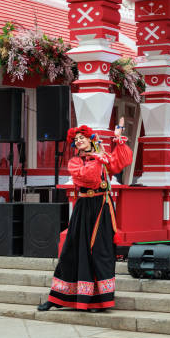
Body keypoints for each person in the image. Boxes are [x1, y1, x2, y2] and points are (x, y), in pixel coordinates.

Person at [37, 119, 132, 312]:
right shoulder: (75, 162)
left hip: (102, 207)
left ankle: (99, 301)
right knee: (73, 250)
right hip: (84, 208)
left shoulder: (102, 158)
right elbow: (88, 178)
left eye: (83, 138)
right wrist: (98, 159)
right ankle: (59, 297)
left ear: (91, 140)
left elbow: (122, 161)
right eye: (77, 139)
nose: (80, 141)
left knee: (101, 251)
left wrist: (118, 140)